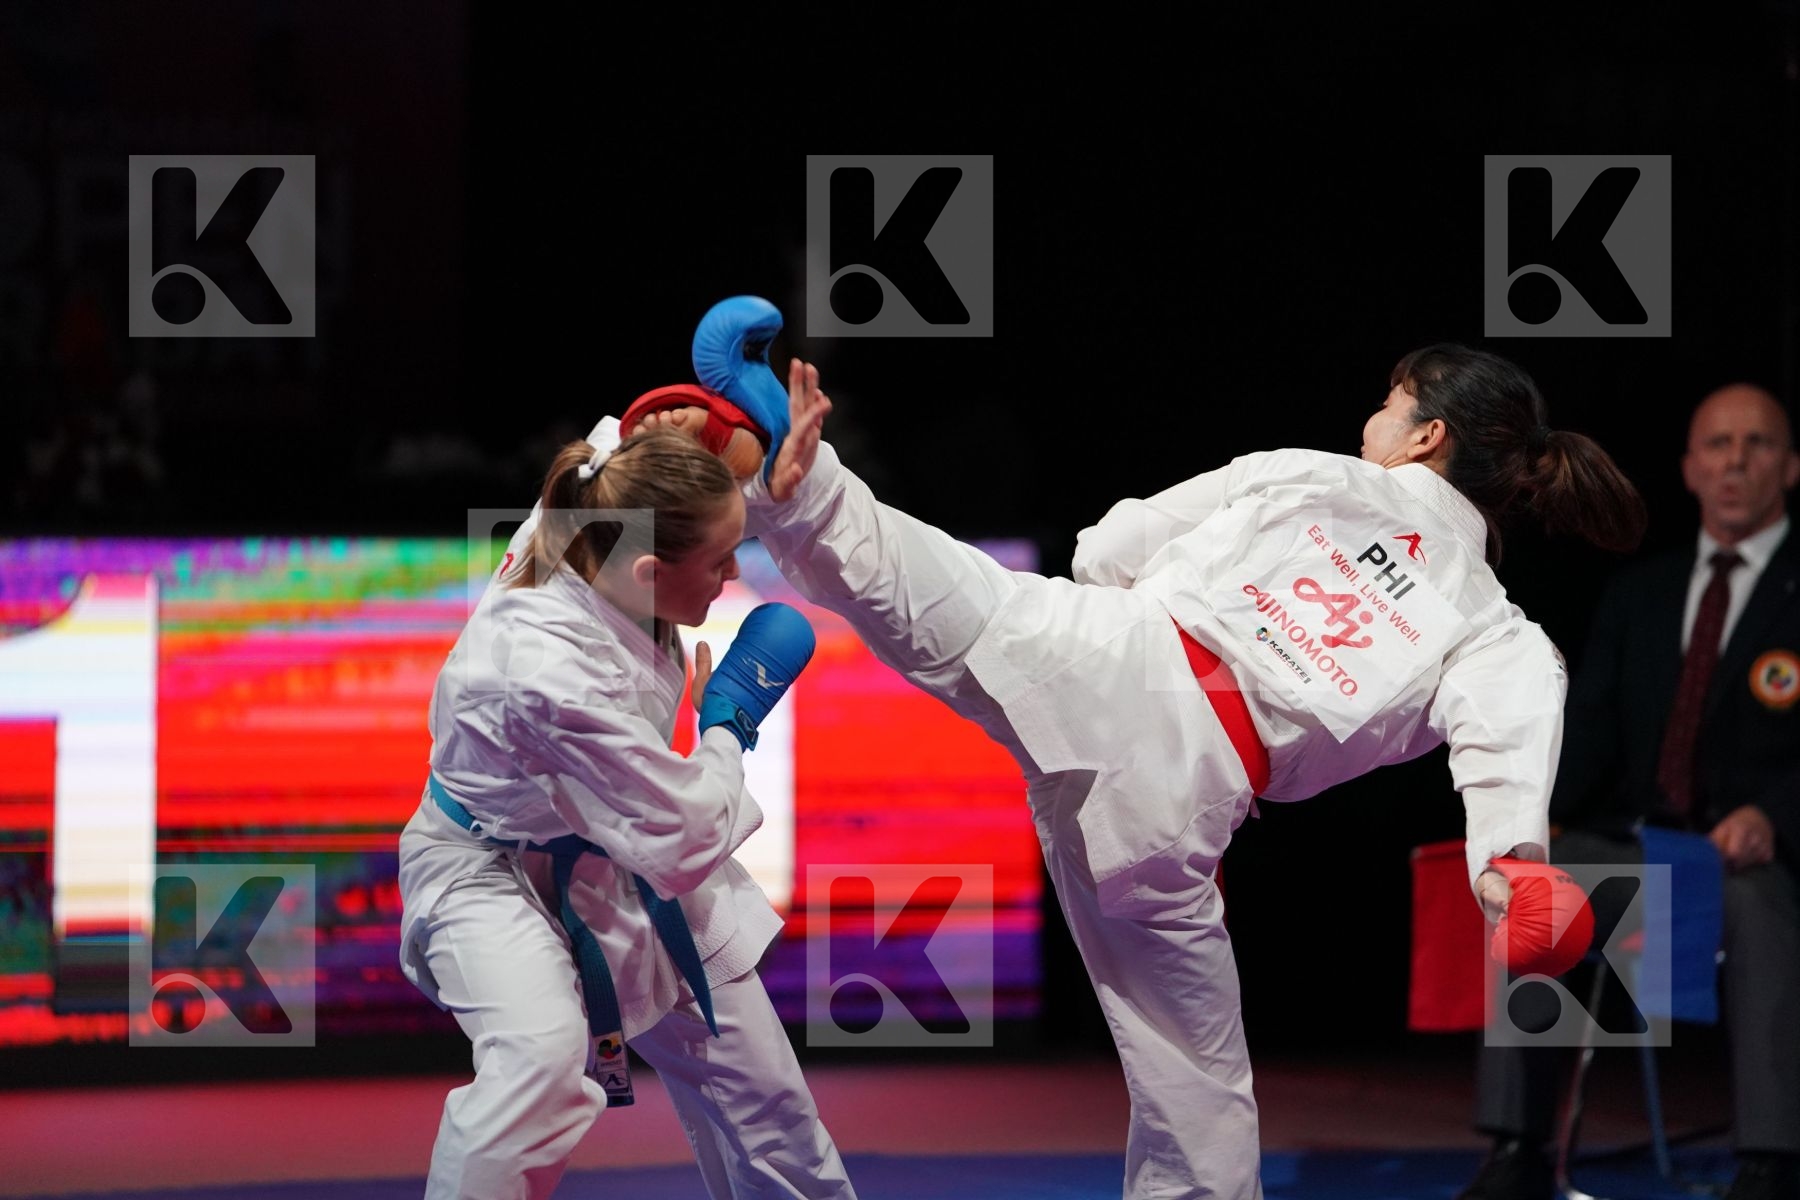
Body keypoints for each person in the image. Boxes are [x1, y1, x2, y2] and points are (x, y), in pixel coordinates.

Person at [634, 296, 1647, 1199]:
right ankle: (793, 478)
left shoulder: (1317, 475)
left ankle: (790, 472)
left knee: (917, 577)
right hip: (1189, 795)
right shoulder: (1500, 633)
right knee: (1194, 1074)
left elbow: (1107, 549)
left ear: (1426, 436)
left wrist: (1122, 605)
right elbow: (1505, 755)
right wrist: (1512, 871)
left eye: (1389, 403)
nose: (1369, 420)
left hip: (1117, 657)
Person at [395, 418, 857, 1200]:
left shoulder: (601, 506)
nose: (732, 574)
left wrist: (757, 452)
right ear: (649, 571)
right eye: (720, 561)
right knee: (538, 1063)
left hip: (617, 850)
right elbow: (686, 832)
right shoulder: (549, 672)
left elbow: (646, 438)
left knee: (769, 1099)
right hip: (491, 871)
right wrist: (729, 720)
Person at [1459, 383, 1800, 1200]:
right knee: (1539, 885)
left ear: (1789, 468)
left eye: (1756, 444)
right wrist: (1528, 819)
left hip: (1750, 856)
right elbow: (1588, 735)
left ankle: (1770, 1161)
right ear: (1690, 468)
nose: (1735, 462)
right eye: (1717, 444)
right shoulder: (1641, 592)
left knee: (1757, 902)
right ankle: (1517, 1150)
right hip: (1638, 845)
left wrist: (1773, 816)